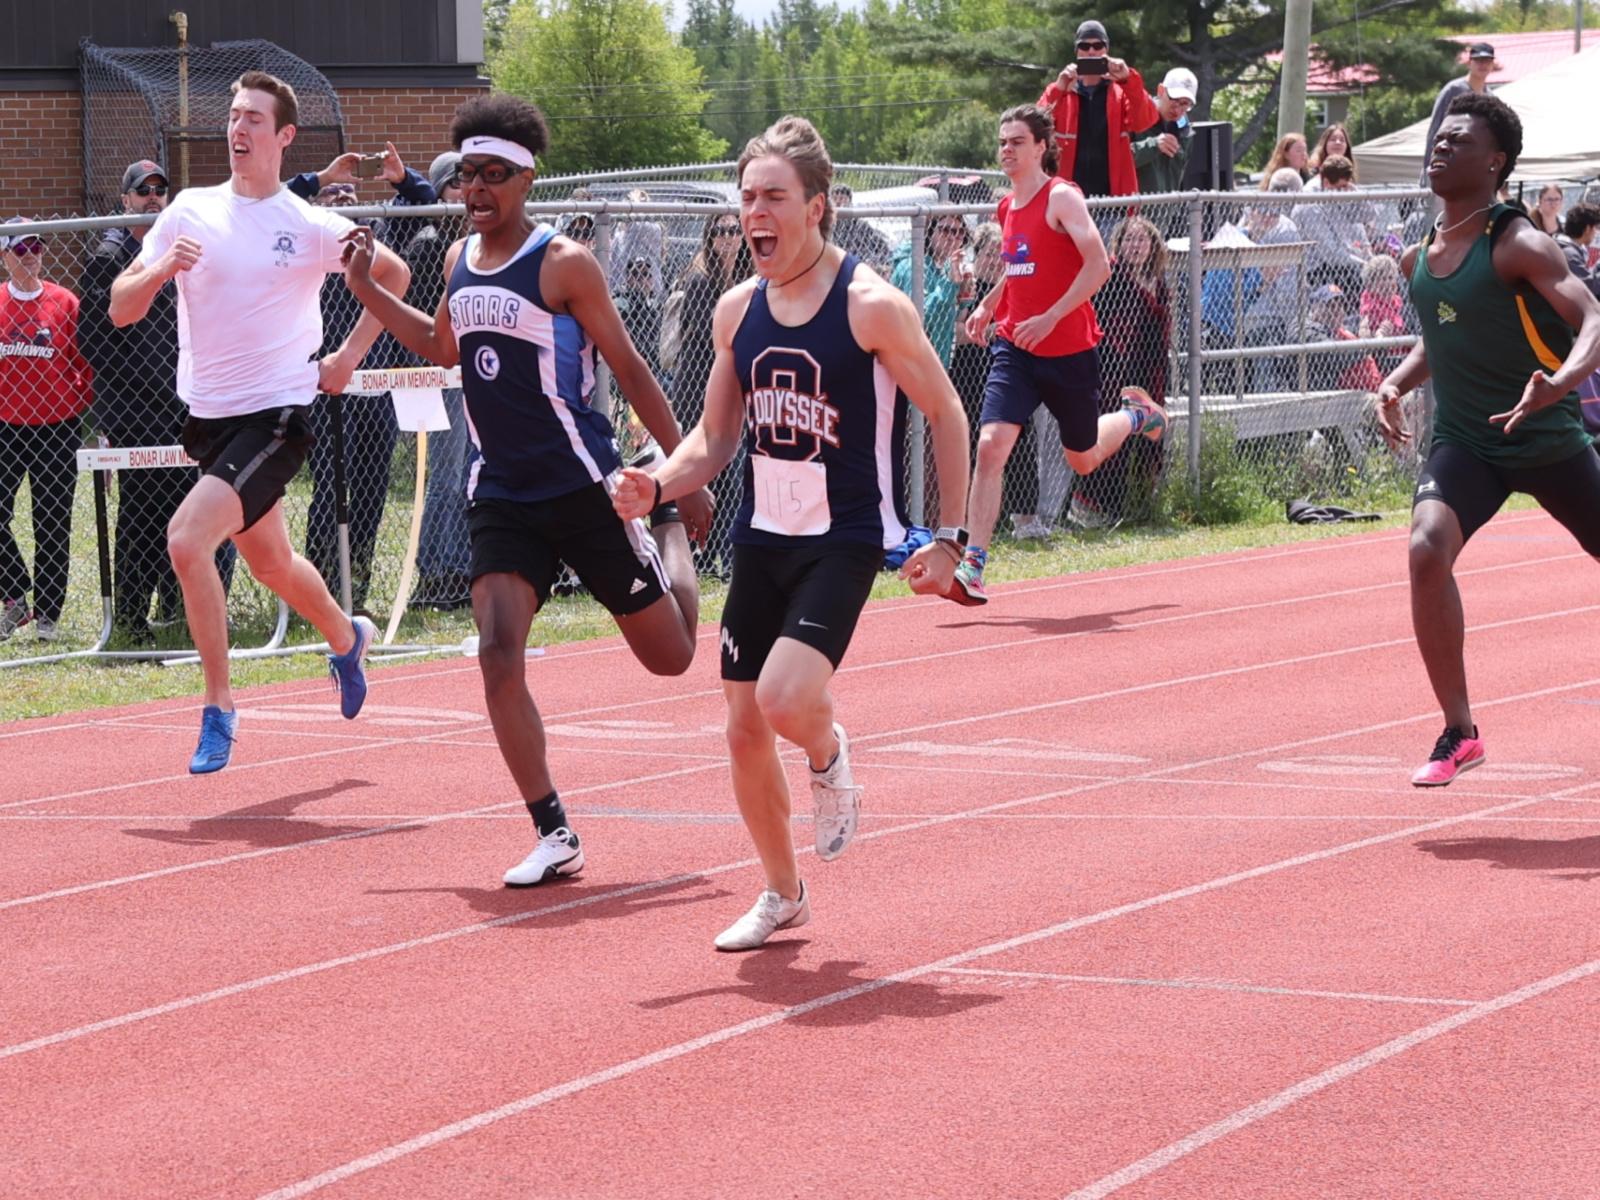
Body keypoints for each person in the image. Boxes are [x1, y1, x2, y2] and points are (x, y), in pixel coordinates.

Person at [610, 116, 971, 951]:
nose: (755, 214)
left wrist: (951, 535)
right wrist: (655, 482)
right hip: (762, 538)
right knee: (739, 726)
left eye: (773, 196)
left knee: (781, 702)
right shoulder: (737, 310)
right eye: (747, 200)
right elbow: (714, 439)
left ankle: (827, 749)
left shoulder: (873, 306)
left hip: (844, 539)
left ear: (816, 206)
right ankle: (782, 893)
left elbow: (947, 411)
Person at [340, 93, 713, 888]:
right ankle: (555, 831)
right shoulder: (454, 261)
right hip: (500, 492)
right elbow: (443, 347)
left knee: (672, 659)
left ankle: (668, 526)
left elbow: (631, 365)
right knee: (499, 654)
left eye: (493, 175)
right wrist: (369, 290)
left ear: (526, 178)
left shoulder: (563, 264)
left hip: (583, 486)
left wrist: (682, 470)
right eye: (467, 175)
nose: (476, 189)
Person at [109, 69, 411, 773]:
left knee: (187, 542)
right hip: (210, 419)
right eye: (233, 116)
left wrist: (348, 354)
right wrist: (156, 273)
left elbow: (391, 274)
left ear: (283, 137)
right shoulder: (189, 208)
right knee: (270, 562)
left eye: (252, 119)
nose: (237, 129)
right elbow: (122, 307)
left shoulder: (306, 224)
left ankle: (218, 707)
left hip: (277, 415)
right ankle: (347, 638)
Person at [1376, 92, 1600, 786]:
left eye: (1459, 140)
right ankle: (1459, 731)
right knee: (1424, 550)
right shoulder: (1421, 256)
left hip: (1546, 438)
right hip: (1468, 444)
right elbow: (1443, 333)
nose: (1441, 147)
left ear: (1496, 161)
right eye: (1439, 138)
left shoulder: (1518, 242)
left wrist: (1557, 385)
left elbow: (1593, 317)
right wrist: (1395, 384)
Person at [952, 105, 1166, 605]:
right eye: (1002, 141)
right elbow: (1019, 267)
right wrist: (988, 304)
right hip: (1015, 348)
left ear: (1041, 147)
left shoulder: (1062, 198)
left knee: (1085, 458)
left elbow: (1098, 267)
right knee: (989, 446)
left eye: (1017, 142)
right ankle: (974, 564)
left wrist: (1050, 316)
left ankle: (1136, 416)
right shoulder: (1006, 208)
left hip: (1067, 348)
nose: (1006, 150)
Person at [79, 160, 219, 642]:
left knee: (178, 511)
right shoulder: (110, 255)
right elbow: (94, 341)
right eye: (143, 192)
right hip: (135, 413)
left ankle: (175, 607)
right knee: (139, 517)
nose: (153, 198)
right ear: (125, 201)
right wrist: (156, 389)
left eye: (160, 190)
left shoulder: (171, 248)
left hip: (179, 408)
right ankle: (133, 621)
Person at [303, 182, 400, 614]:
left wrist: (402, 179)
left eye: (350, 193)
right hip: (326, 390)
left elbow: (422, 203)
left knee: (371, 490)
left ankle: (355, 589)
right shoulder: (311, 245)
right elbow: (273, 194)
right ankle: (321, 590)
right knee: (331, 486)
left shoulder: (376, 243)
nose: (344, 198)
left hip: (375, 387)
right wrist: (314, 182)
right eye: (333, 193)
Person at [0, 218, 93, 642]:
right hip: (7, 427)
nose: (31, 256)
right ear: (5, 257)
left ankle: (47, 616)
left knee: (52, 520)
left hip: (57, 429)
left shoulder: (64, 302)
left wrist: (73, 400)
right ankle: (14, 591)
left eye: (37, 247)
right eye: (21, 249)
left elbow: (84, 363)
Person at [406, 150, 475, 610]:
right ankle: (434, 573)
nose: (463, 194)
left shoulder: (478, 246)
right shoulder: (429, 243)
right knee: (445, 477)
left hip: (473, 378)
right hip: (438, 375)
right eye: (454, 185)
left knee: (470, 473)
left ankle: (462, 567)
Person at [670, 210, 753, 578]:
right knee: (709, 475)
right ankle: (706, 555)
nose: (728, 238)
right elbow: (711, 339)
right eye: (720, 231)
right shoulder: (701, 280)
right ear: (709, 236)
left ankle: (719, 555)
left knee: (732, 475)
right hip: (698, 390)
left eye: (735, 230)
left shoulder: (746, 276)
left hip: (731, 390)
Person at [1074, 214, 1171, 526]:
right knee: (1113, 438)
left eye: (1141, 240)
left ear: (1152, 245)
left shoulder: (1159, 282)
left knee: (1148, 438)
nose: (1135, 246)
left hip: (1150, 369)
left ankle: (1141, 505)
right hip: (1115, 368)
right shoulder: (1112, 275)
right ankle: (1098, 509)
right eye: (1129, 239)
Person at [1037, 20, 1160, 201]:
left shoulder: (1121, 92)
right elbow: (1036, 126)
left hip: (1113, 202)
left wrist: (1128, 79)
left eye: (1098, 45)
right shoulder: (1061, 92)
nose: (1091, 51)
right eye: (1084, 46)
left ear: (1106, 50)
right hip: (1067, 201)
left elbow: (1145, 120)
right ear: (1077, 51)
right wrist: (1059, 87)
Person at [889, 213, 970, 368]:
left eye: (959, 232)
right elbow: (922, 316)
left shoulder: (947, 266)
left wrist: (964, 298)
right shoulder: (913, 266)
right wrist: (950, 284)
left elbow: (953, 320)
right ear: (930, 232)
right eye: (945, 230)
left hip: (938, 361)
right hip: (908, 363)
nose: (953, 237)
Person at [1419, 42, 1498, 188]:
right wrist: (1430, 169)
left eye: (1487, 61)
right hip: (1448, 167)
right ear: (1469, 63)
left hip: (1474, 171)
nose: (1483, 65)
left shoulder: (1491, 98)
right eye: (1478, 60)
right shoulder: (1454, 90)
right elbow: (1435, 130)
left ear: (1493, 64)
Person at [1292, 154, 1372, 293]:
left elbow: (1367, 215)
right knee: (1361, 281)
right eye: (1341, 187)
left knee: (1383, 279)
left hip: (1343, 263)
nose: (1344, 190)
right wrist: (1366, 265)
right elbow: (1330, 254)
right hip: (1317, 270)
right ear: (1328, 183)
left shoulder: (1339, 191)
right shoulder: (1310, 204)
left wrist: (1354, 191)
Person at [1131, 67, 1197, 196]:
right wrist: (1153, 145)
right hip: (1133, 211)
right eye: (1175, 100)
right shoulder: (1136, 116)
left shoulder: (1185, 132)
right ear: (1160, 90)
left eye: (1185, 104)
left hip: (1167, 212)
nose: (1177, 110)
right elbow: (1116, 160)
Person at [829, 184, 892, 274]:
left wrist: (872, 261)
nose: (838, 202)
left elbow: (883, 249)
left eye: (842, 198)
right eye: (835, 199)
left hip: (859, 265)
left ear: (849, 202)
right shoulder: (827, 226)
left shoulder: (860, 226)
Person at [1554, 203, 1600, 298]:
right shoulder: (1569, 253)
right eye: (1595, 228)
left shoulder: (1572, 248)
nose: (1596, 232)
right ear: (1587, 228)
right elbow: (1588, 286)